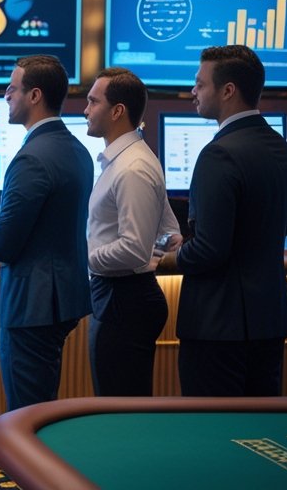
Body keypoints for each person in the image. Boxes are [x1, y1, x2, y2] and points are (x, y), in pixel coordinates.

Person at [164, 45, 287, 396]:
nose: (192, 91)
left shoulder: (219, 154)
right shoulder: (283, 150)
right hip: (269, 321)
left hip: (218, 326)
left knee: (214, 434)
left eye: (200, 84)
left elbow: (211, 251)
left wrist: (170, 257)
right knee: (259, 436)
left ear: (228, 91)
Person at [0, 54, 92, 411]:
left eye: (12, 89)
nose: (5, 97)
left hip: (32, 303)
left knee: (26, 412)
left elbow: (5, 245)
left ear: (34, 96)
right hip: (61, 299)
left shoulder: (31, 157)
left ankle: (27, 470)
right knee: (41, 403)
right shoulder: (77, 150)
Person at [82, 67, 181, 396]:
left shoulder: (132, 168)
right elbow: (169, 230)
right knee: (122, 404)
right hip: (122, 296)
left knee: (119, 409)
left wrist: (86, 258)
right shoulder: (128, 160)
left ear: (117, 111)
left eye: (93, 102)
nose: (85, 110)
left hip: (123, 298)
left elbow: (135, 250)